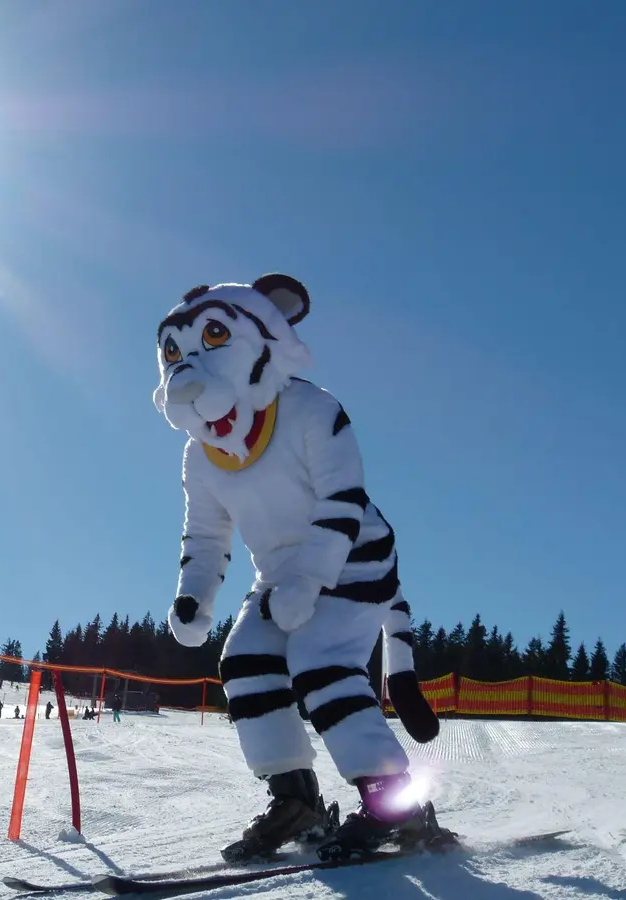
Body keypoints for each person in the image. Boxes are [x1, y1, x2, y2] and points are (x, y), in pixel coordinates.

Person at [151, 275, 442, 864]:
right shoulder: (200, 455)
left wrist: (310, 580)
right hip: (279, 575)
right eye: (174, 351)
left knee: (320, 659)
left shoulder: (312, 409)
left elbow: (343, 501)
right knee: (245, 661)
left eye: (214, 337)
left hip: (354, 556)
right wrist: (193, 597)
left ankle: (394, 800)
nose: (187, 365)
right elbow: (206, 535)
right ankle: (295, 798)